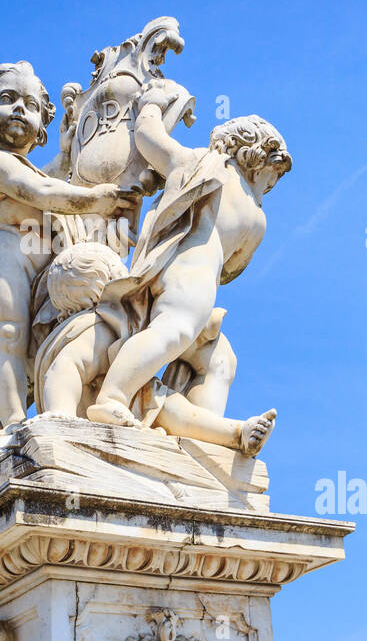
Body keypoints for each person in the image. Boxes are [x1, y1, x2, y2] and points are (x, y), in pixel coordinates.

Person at [0, 62, 137, 431]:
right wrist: (97, 199)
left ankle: (40, 405)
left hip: (45, 264)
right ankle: (14, 423)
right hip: (8, 258)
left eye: (31, 106)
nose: (20, 109)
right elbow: (43, 192)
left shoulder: (26, 168)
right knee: (9, 337)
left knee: (38, 341)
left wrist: (66, 154)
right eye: (7, 99)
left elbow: (45, 178)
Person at [85, 88, 291, 431]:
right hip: (194, 273)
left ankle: (202, 434)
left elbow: (149, 137)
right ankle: (112, 397)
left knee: (220, 358)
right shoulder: (249, 211)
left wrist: (153, 102)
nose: (271, 186)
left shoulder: (198, 164)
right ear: (258, 160)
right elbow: (232, 268)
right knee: (175, 330)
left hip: (185, 275)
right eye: (273, 177)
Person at [34, 242, 275, 456]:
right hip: (98, 414)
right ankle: (234, 433)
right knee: (169, 406)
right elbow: (65, 367)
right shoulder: (95, 328)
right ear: (109, 282)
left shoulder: (109, 327)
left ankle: (235, 433)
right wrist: (61, 413)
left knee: (169, 403)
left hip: (128, 407)